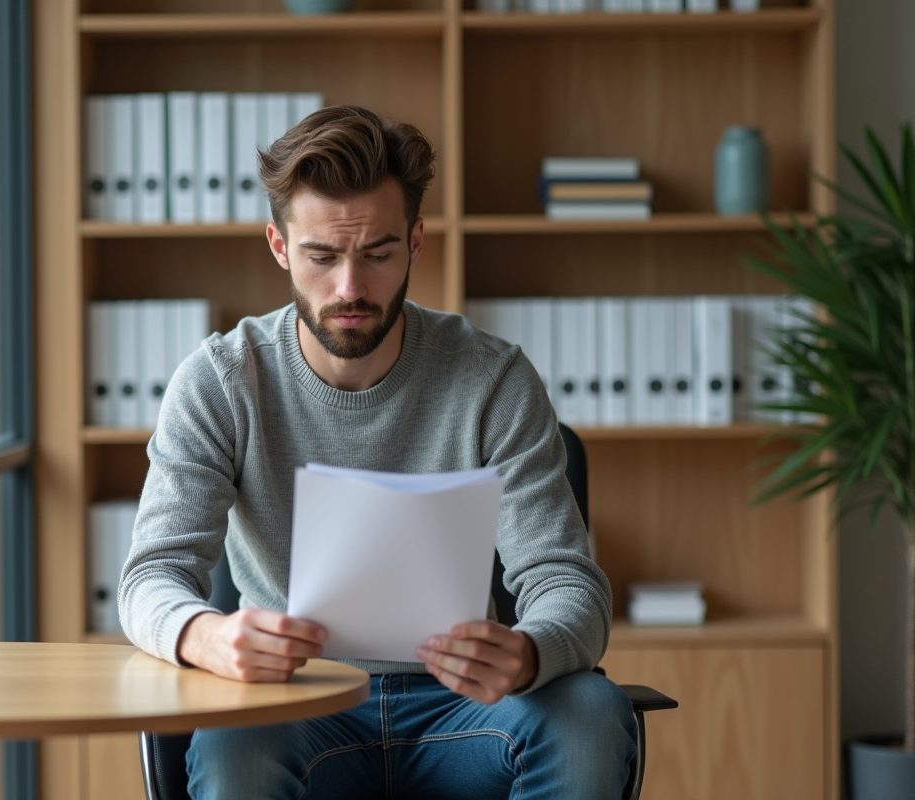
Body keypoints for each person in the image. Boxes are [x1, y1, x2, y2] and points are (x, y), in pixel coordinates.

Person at [119, 104, 636, 799]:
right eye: (322, 257)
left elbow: (570, 585)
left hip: (466, 710)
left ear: (417, 239)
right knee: (233, 746)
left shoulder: (492, 380)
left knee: (590, 716)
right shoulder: (221, 381)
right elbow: (150, 576)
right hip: (294, 704)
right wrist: (203, 636)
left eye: (378, 253)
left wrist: (531, 651)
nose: (351, 288)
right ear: (278, 245)